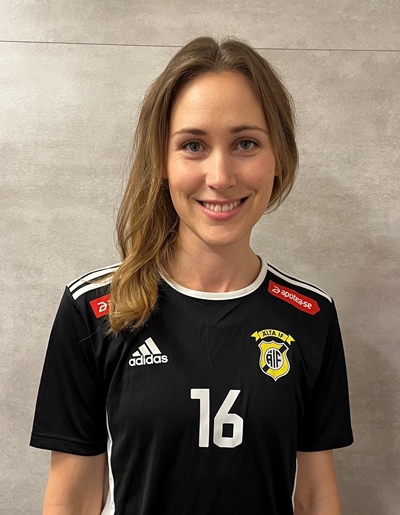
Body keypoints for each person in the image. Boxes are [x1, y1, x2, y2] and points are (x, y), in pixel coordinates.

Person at [30, 36, 353, 515]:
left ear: (279, 157)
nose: (220, 176)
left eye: (246, 143)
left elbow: (314, 496)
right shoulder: (94, 310)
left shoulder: (310, 316)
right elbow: (73, 500)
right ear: (162, 161)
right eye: (193, 145)